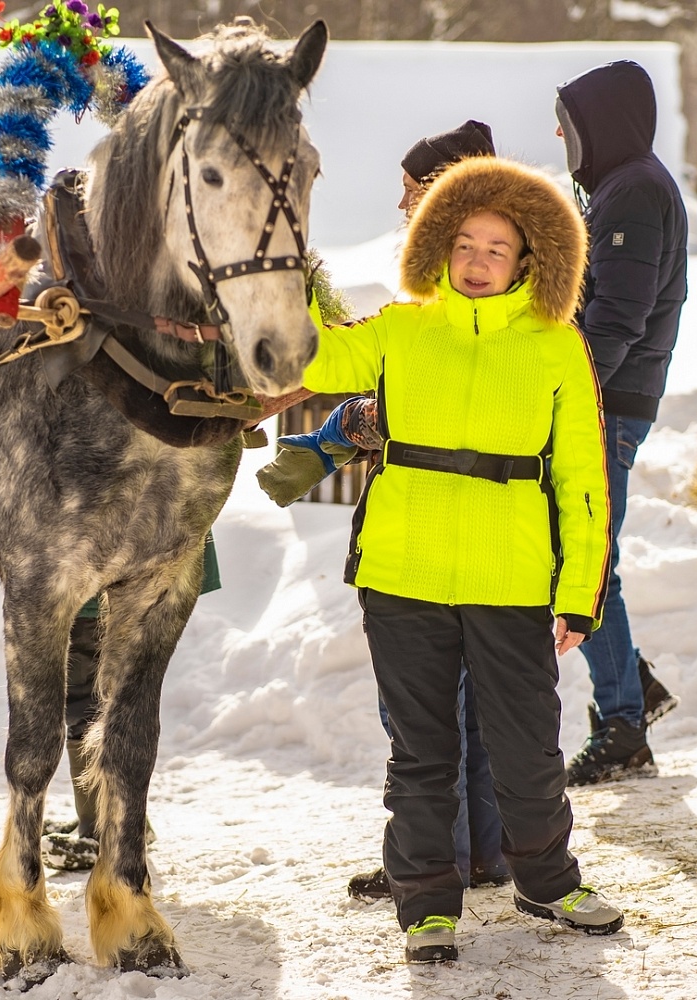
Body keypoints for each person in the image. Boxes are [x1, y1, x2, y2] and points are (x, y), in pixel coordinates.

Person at [305, 155, 623, 963]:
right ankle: (425, 906)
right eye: (466, 245)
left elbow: (583, 481)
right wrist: (292, 275)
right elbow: (313, 359)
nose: (478, 263)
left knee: (528, 749)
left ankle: (546, 881)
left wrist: (579, 592)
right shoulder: (403, 326)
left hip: (509, 578)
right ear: (439, 246)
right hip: (402, 573)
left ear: (528, 261)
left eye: (497, 249)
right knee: (421, 754)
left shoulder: (556, 345)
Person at [256, 121, 509, 900]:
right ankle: (480, 850)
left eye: (414, 188)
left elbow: (417, 401)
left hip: (429, 525)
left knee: (423, 709)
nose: (402, 203)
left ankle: (432, 862)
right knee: (469, 703)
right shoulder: (488, 279)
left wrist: (342, 429)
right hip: (476, 524)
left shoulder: (451, 290)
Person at [554, 60, 686, 786]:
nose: (560, 136)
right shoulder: (622, 186)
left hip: (608, 403)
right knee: (583, 556)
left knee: (588, 563)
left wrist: (565, 393)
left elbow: (617, 316)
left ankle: (624, 726)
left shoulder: (633, 189)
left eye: (568, 124)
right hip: (612, 399)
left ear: (599, 123)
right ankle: (632, 686)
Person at [42, 533, 220, 871]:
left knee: (87, 682)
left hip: (105, 553)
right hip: (147, 547)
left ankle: (103, 829)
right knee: (115, 685)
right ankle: (121, 818)